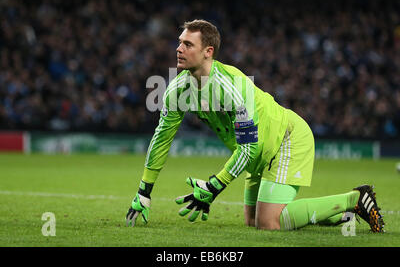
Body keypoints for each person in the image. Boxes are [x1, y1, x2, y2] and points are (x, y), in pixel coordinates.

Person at [126, 19, 384, 232]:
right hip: (256, 155)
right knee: (252, 222)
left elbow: (247, 147)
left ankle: (354, 199)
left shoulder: (233, 86)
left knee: (268, 223)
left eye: (187, 44)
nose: (179, 49)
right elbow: (162, 138)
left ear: (208, 52)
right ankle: (339, 217)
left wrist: (215, 186)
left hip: (285, 140)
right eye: (179, 42)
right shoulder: (177, 89)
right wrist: (144, 191)